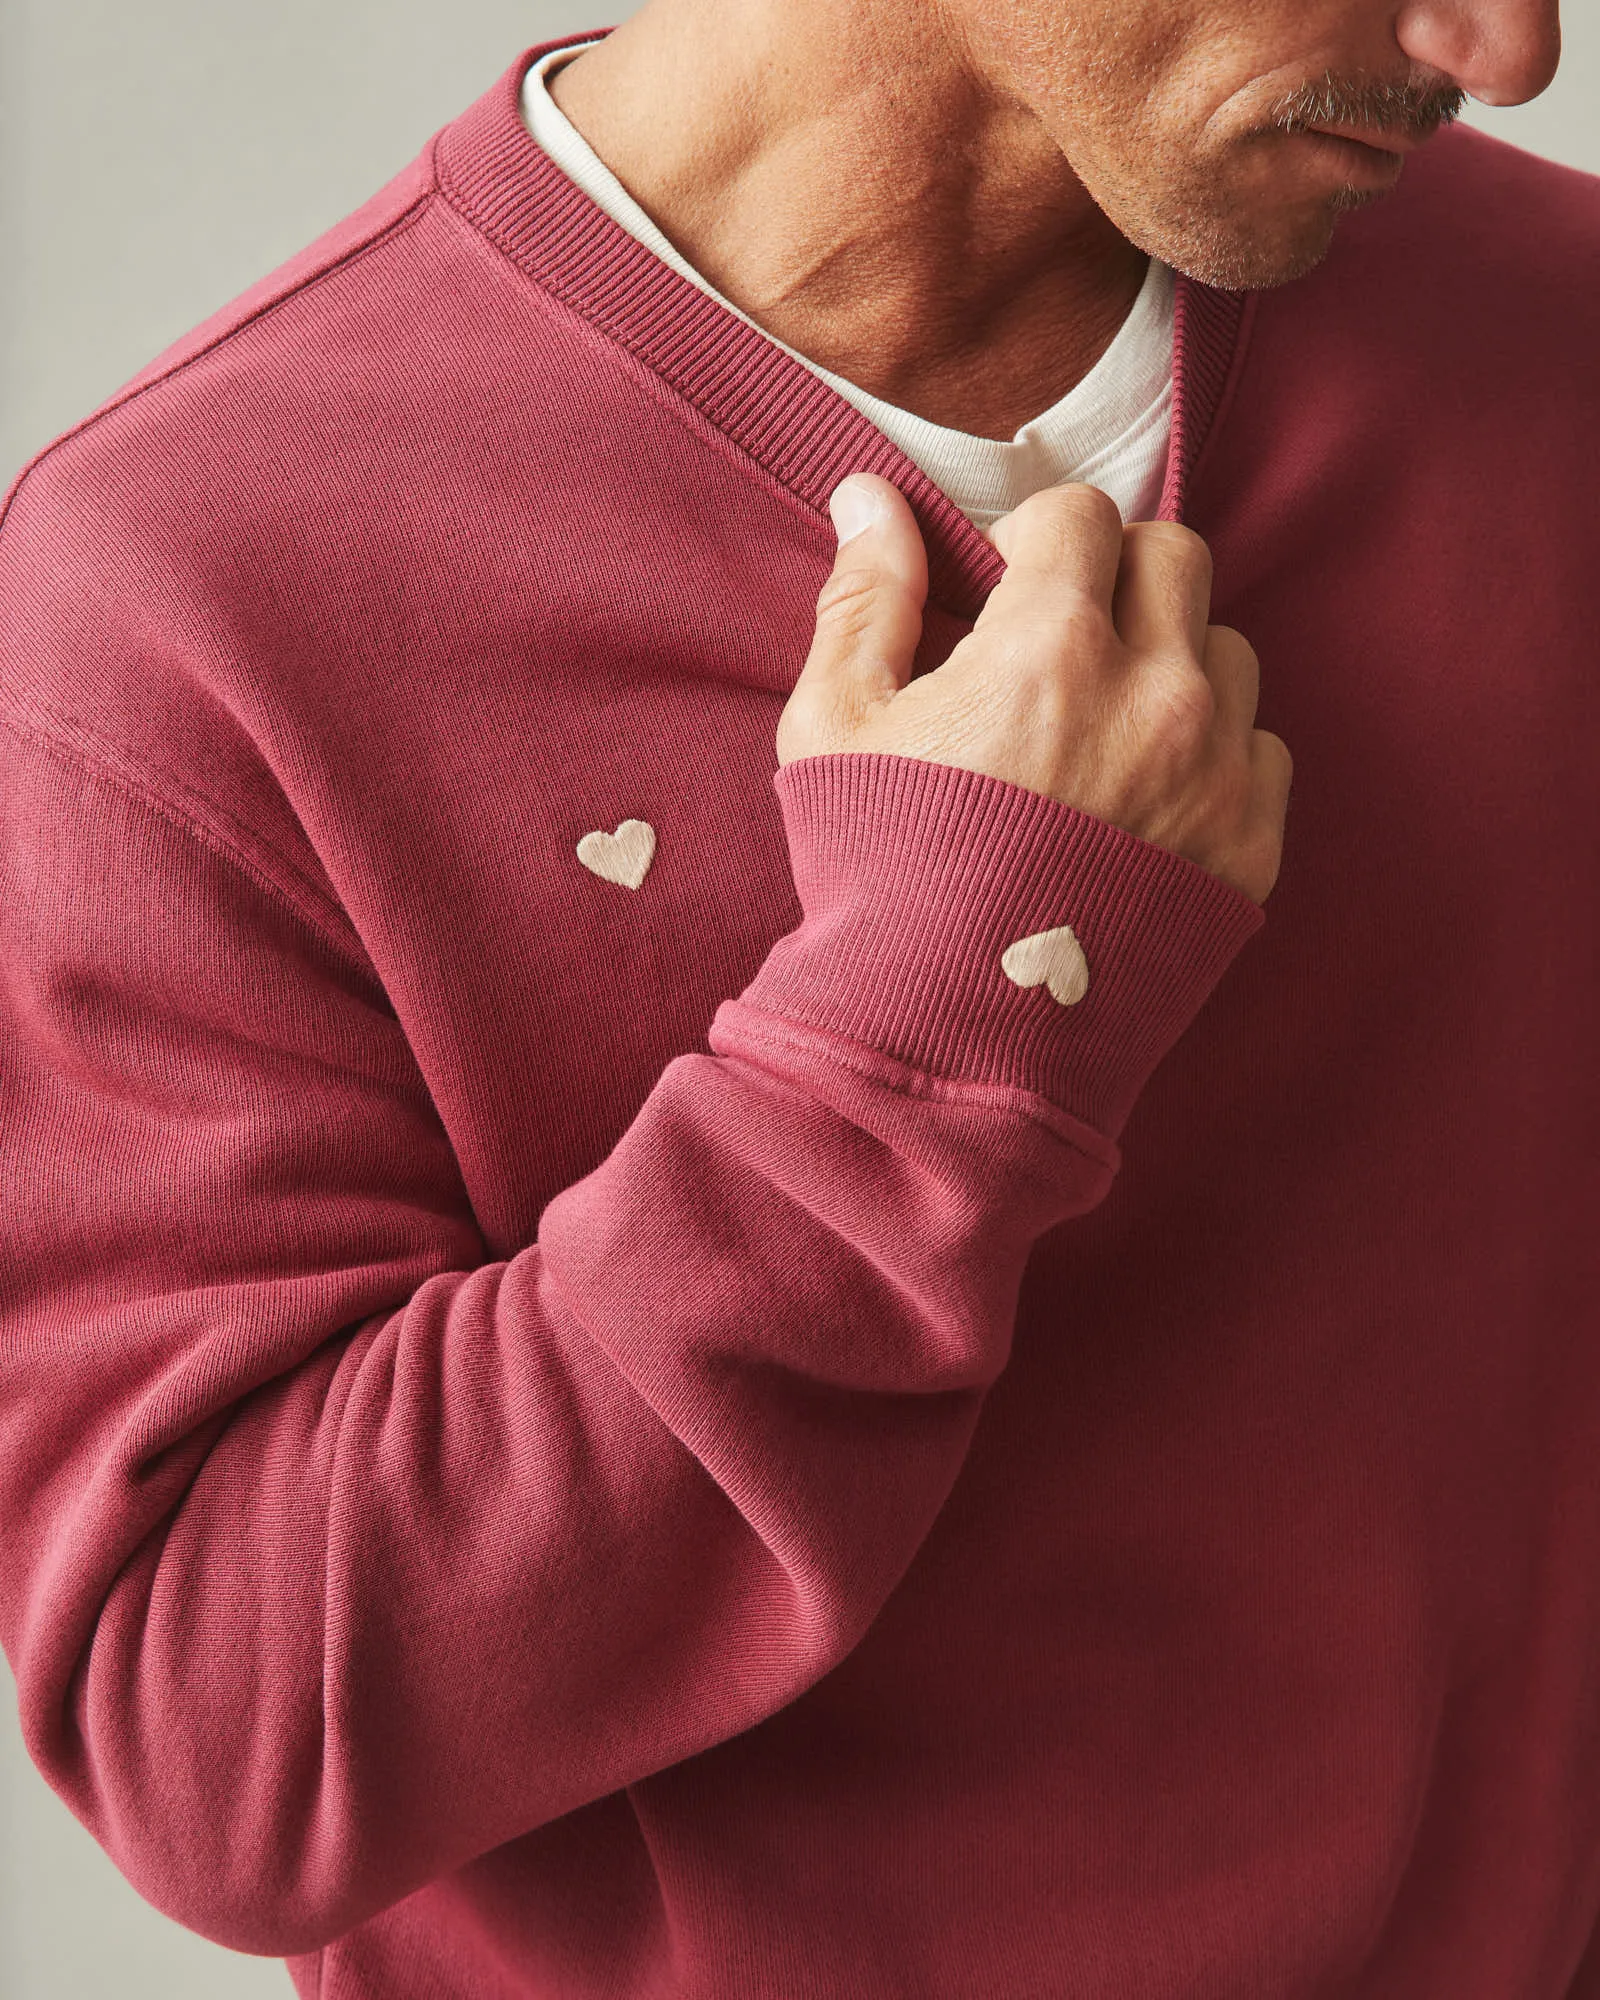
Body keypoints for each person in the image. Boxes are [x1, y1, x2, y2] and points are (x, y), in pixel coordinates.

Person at [0, 0, 1591, 1994]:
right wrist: (944, 1016)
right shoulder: (180, 586)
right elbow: (232, 1749)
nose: (1504, 48)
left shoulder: (1561, 351)